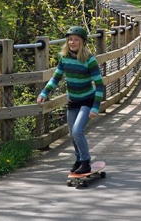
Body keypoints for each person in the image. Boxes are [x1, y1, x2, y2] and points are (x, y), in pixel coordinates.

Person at [37, 26, 104, 175]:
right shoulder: (64, 58)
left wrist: (95, 107)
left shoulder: (89, 59)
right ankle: (79, 159)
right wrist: (44, 92)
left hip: (87, 100)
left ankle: (86, 162)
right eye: (70, 40)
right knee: (72, 133)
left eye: (76, 40)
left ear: (83, 42)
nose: (72, 42)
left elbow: (99, 85)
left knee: (77, 131)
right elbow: (56, 78)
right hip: (73, 100)